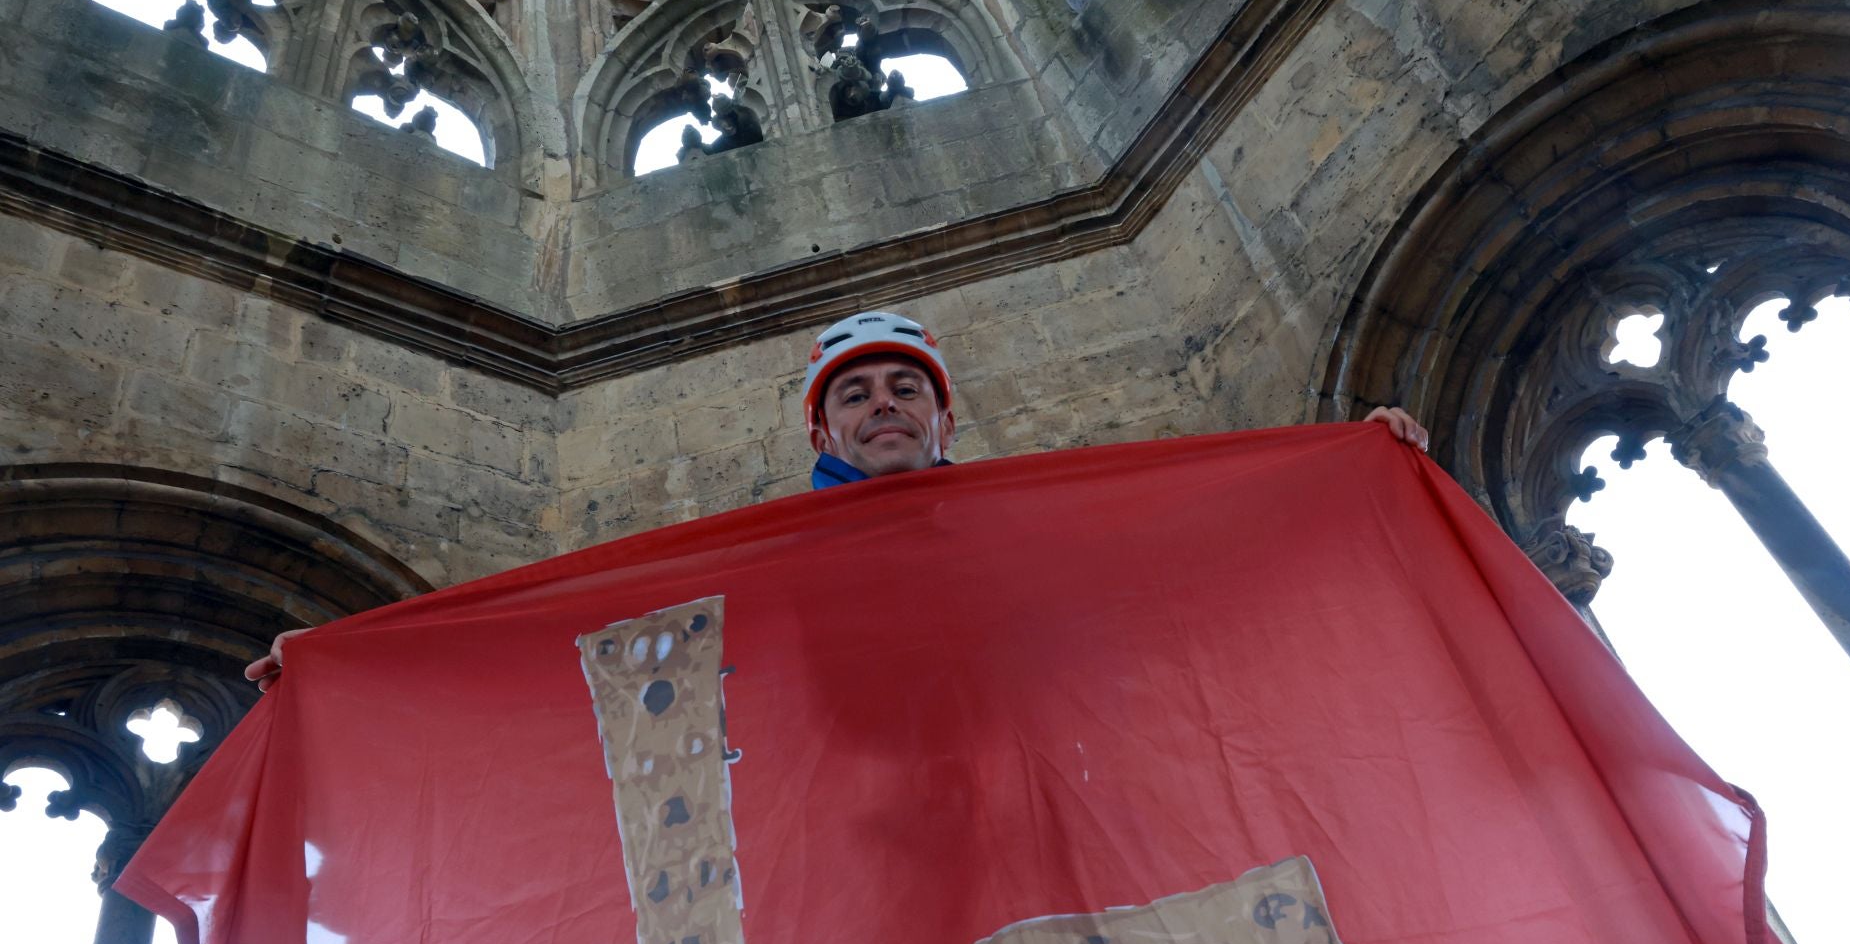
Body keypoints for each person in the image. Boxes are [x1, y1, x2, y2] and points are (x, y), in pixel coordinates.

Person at [244, 309, 1428, 689]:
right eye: (855, 394)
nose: (884, 406)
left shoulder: (1036, 520)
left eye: (906, 388)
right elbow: (567, 635)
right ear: (823, 428)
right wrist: (352, 662)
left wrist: (1356, 472)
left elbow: (1200, 552)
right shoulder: (772, 555)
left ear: (944, 416)